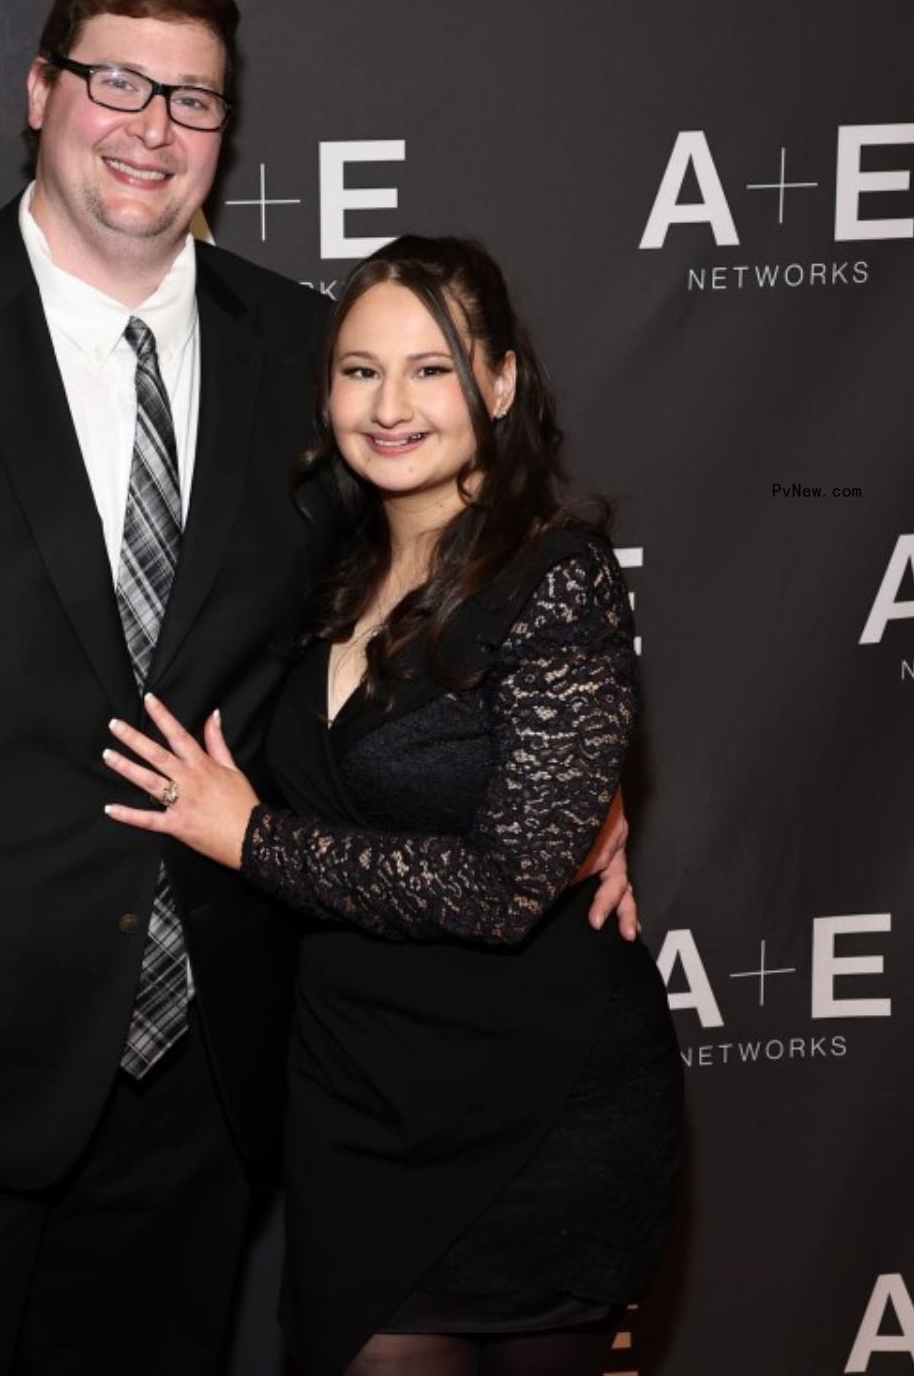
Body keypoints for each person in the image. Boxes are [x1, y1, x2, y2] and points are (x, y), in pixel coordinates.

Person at [0, 0, 638, 1376]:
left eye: (194, 99)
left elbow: (443, 583)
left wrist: (574, 784)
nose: (151, 127)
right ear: (38, 91)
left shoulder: (310, 351)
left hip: (196, 1070)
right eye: (117, 81)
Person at [103, 237, 682, 1376]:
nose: (390, 405)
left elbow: (504, 889)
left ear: (500, 382)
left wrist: (250, 836)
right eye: (360, 370)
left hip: (540, 1102)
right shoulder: (320, 570)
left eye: (432, 369)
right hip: (355, 1099)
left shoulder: (555, 576)